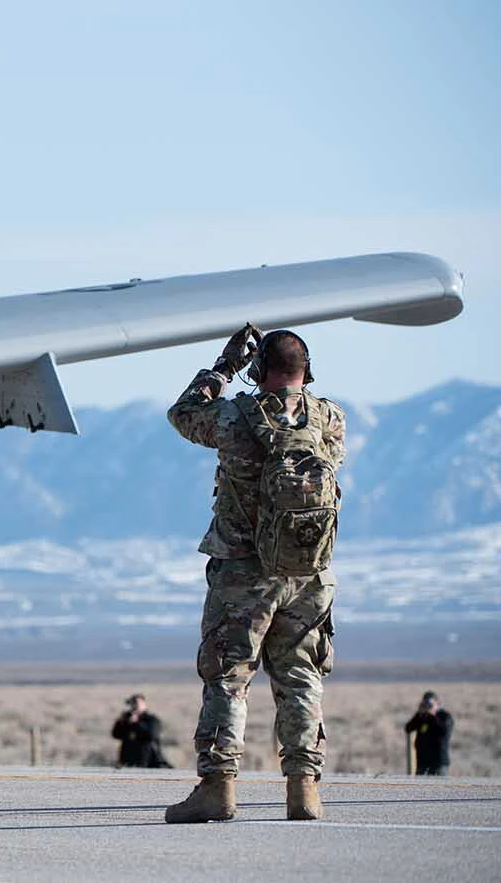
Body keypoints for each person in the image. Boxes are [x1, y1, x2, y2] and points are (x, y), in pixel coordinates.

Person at [163, 324, 345, 823]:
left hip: (243, 572)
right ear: (307, 370)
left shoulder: (234, 416)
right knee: (301, 676)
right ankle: (304, 790)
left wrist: (223, 369)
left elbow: (182, 414)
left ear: (259, 370)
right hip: (308, 573)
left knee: (227, 677)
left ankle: (217, 788)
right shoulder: (328, 418)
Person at [112, 694, 171, 768]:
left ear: (143, 703)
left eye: (136, 703)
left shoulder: (151, 719)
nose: (134, 706)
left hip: (148, 761)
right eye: (132, 703)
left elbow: (152, 735)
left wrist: (137, 723)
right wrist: (121, 722)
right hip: (128, 760)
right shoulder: (127, 720)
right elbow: (115, 734)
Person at [406, 691, 454, 775]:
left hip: (438, 763)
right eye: (425, 703)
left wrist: (432, 715)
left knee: (440, 787)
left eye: (430, 704)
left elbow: (444, 732)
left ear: (437, 703)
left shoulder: (444, 716)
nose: (427, 706)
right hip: (422, 762)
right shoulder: (422, 717)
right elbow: (408, 728)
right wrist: (419, 714)